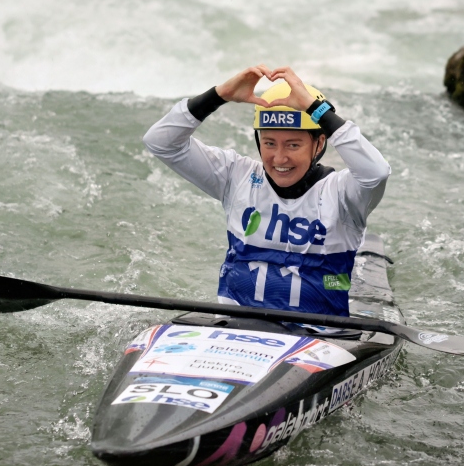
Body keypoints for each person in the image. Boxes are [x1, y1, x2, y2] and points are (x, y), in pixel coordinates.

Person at [142, 65, 390, 317]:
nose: (279, 158)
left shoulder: (342, 192)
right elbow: (160, 142)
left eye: (293, 144)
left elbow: (376, 171)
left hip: (320, 337)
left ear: (319, 143)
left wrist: (318, 110)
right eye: (269, 143)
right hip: (233, 327)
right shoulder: (235, 176)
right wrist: (219, 96)